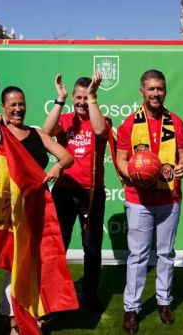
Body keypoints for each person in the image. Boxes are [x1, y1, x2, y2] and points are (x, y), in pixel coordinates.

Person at [0, 85, 74, 335]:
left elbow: (67, 157)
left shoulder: (38, 134)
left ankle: (33, 312)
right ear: (3, 108)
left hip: (39, 209)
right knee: (15, 267)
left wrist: (58, 167)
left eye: (22, 103)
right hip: (11, 212)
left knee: (40, 263)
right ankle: (14, 320)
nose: (18, 109)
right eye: (13, 105)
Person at [115, 69, 183, 334]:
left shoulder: (176, 122)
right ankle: (132, 309)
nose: (156, 93)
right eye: (151, 89)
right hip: (139, 199)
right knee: (138, 256)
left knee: (166, 254)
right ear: (142, 92)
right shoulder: (128, 124)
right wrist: (135, 174)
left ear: (164, 90)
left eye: (160, 88)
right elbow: (121, 159)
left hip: (169, 197)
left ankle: (163, 302)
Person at [42, 71, 110, 313]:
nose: (81, 102)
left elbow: (101, 132)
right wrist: (59, 99)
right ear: (72, 97)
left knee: (91, 248)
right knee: (57, 246)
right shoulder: (67, 118)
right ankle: (54, 297)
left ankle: (90, 295)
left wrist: (93, 97)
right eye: (78, 98)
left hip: (92, 193)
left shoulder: (100, 118)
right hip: (63, 191)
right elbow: (46, 131)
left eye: (86, 97)